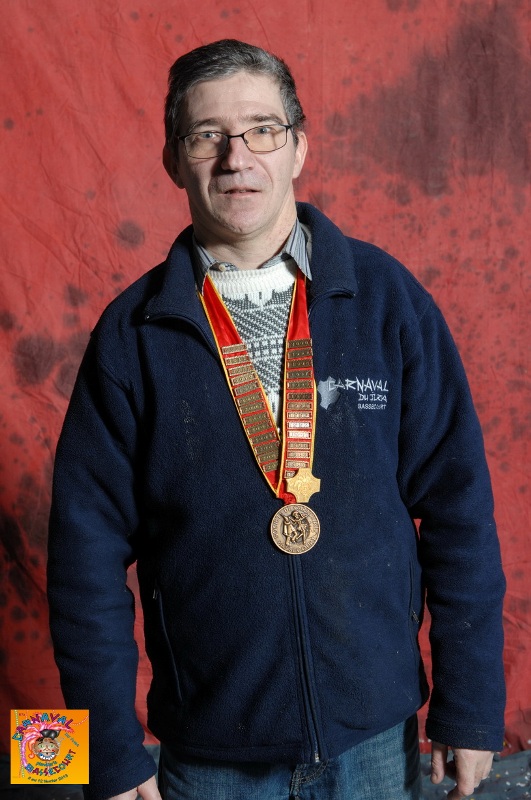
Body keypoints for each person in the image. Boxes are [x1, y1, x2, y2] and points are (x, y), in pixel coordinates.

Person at [47, 39, 506, 800]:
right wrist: (99, 754)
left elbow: (460, 514)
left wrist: (472, 707)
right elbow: (80, 562)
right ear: (173, 159)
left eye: (262, 129)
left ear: (299, 146)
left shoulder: (388, 301)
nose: (238, 158)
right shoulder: (131, 334)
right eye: (208, 135)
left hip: (377, 743)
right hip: (208, 754)